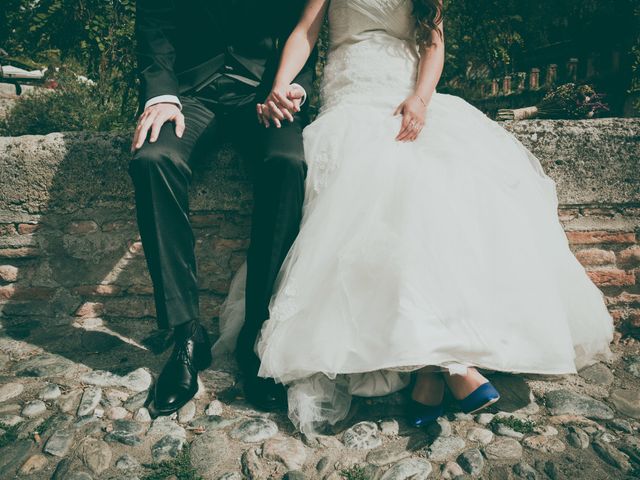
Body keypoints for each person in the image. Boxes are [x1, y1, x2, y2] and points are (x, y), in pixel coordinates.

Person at [214, 0, 615, 436]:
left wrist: (420, 100)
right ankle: (443, 364)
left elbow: (433, 45)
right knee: (377, 196)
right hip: (351, 93)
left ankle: (434, 365)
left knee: (440, 193)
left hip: (408, 95)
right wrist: (280, 84)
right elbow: (305, 31)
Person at [128, 0, 317, 415]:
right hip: (189, 94)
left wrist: (293, 87)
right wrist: (161, 94)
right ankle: (187, 337)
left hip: (264, 92)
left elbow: (306, 26)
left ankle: (255, 339)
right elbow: (154, 28)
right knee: (152, 160)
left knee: (287, 164)